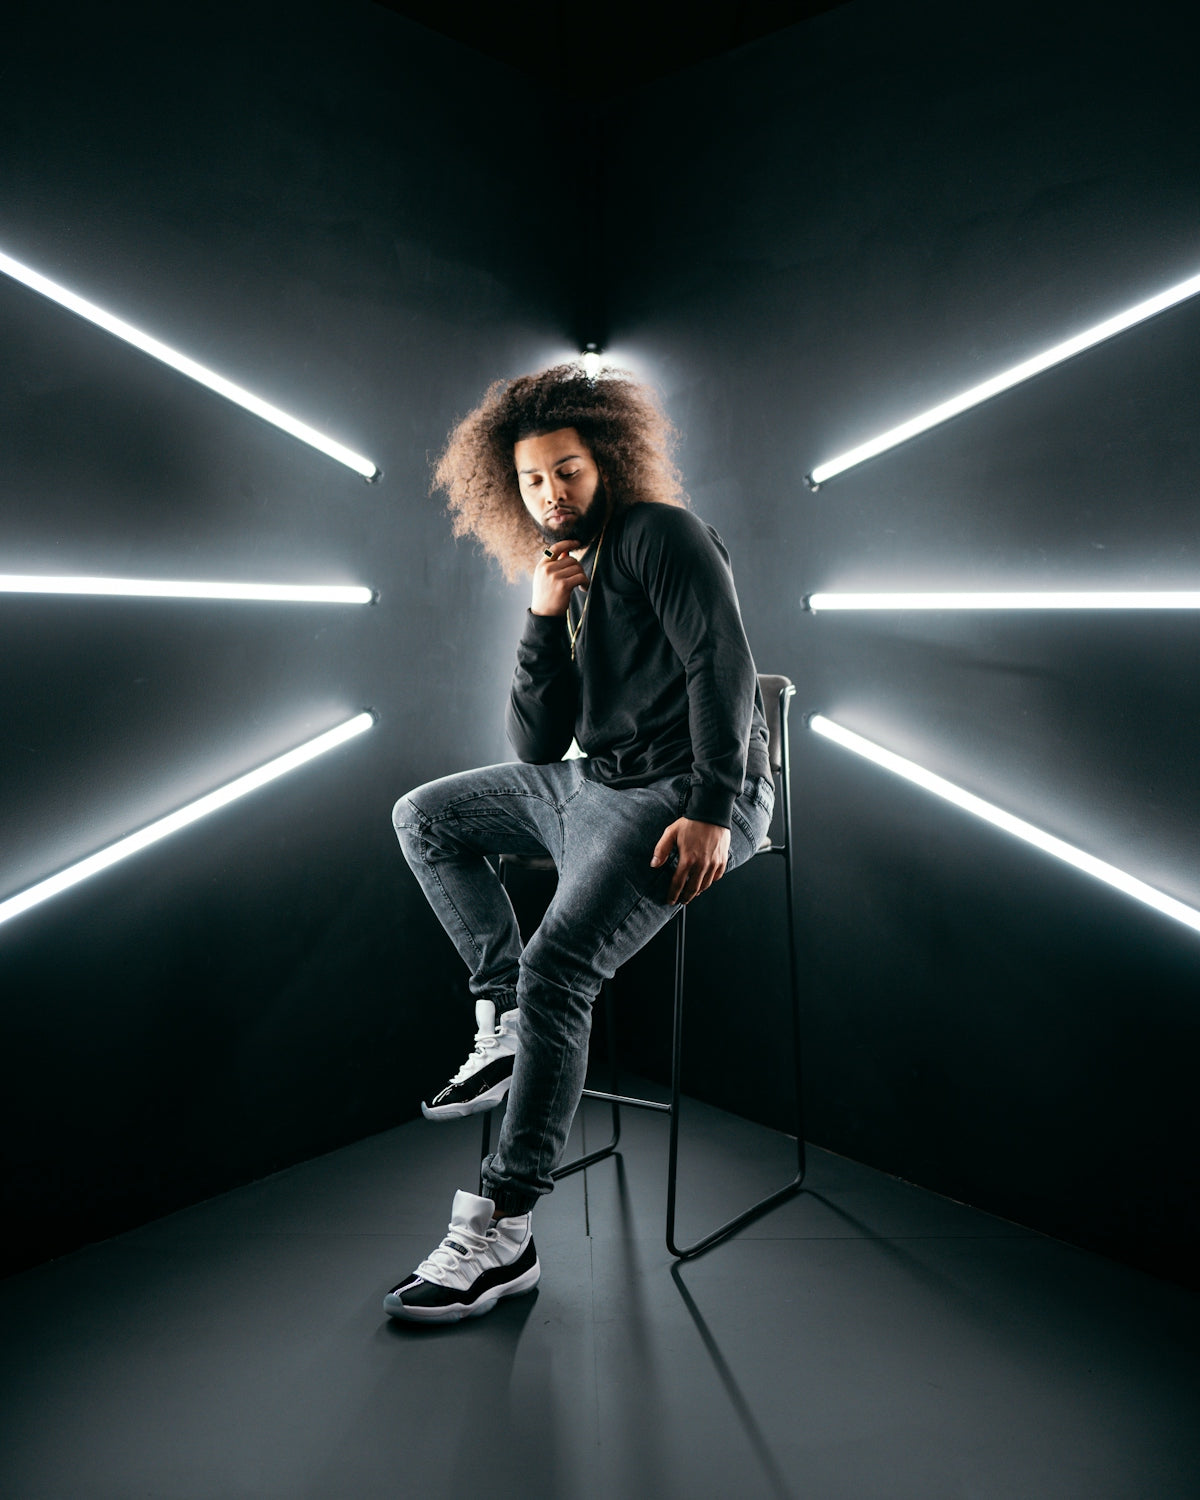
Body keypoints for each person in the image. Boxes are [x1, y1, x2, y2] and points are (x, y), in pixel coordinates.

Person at [384, 363, 773, 1323]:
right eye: (533, 480)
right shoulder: (571, 570)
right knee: (424, 815)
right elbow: (535, 744)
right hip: (586, 781)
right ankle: (501, 1020)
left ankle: (504, 1230)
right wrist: (542, 616)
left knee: (563, 964)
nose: (553, 493)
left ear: (608, 460)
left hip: (683, 792)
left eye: (569, 471)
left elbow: (722, 665)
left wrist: (716, 805)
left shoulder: (658, 535)